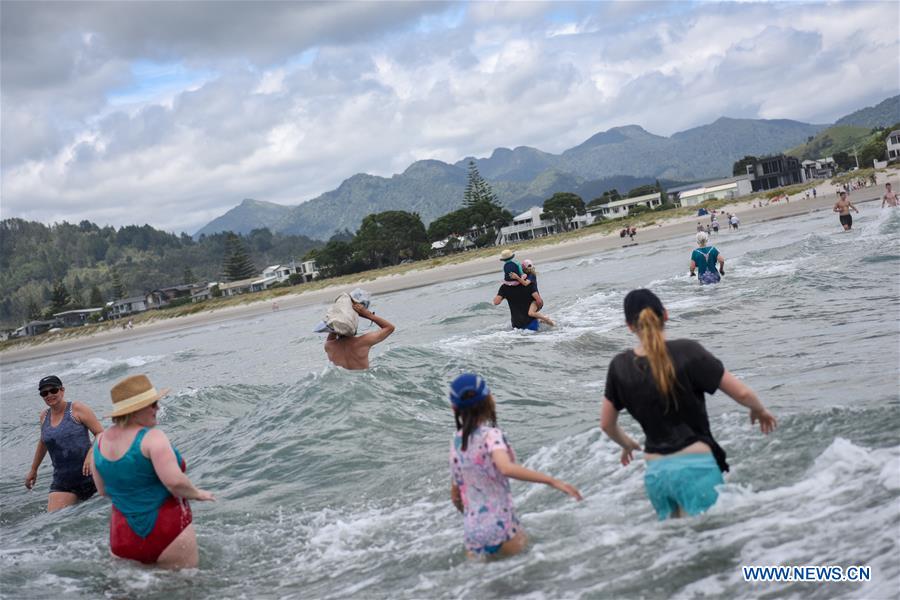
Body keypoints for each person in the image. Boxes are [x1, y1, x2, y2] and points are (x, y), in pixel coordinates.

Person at [599, 289, 777, 520]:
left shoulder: (619, 366)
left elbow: (606, 424)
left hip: (656, 474)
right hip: (696, 468)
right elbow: (742, 393)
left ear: (629, 326)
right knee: (713, 546)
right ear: (665, 314)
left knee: (677, 548)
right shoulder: (687, 351)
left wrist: (628, 443)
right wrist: (759, 409)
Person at [448, 373, 581, 558]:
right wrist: (552, 481)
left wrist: (475, 517)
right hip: (502, 525)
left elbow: (455, 495)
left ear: (454, 408)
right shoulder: (491, 435)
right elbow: (506, 468)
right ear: (489, 400)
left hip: (473, 532)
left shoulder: (456, 442)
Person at [91, 374, 214, 569]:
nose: (158, 408)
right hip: (167, 530)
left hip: (122, 537)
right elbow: (174, 482)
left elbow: (103, 490)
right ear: (136, 410)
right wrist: (198, 494)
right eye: (153, 404)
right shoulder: (152, 438)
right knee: (189, 589)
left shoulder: (99, 442)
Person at [25, 375, 104, 512]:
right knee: (53, 522)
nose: (49, 395)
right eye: (44, 393)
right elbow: (44, 441)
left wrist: (91, 454)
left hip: (92, 475)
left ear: (62, 390)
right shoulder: (44, 416)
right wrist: (33, 469)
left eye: (53, 390)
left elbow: (101, 433)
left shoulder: (77, 409)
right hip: (63, 482)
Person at [324, 302, 395, 370]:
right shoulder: (363, 342)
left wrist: (337, 319)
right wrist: (368, 315)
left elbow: (333, 330)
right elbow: (390, 328)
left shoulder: (329, 346)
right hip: (363, 379)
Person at [521, 260, 555, 326]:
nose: (530, 268)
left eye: (530, 266)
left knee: (531, 313)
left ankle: (546, 319)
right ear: (524, 269)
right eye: (528, 266)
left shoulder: (531, 275)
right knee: (533, 316)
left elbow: (525, 283)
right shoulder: (526, 276)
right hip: (533, 299)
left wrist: (517, 278)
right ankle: (543, 321)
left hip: (536, 299)